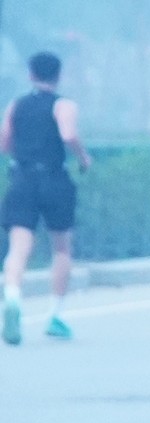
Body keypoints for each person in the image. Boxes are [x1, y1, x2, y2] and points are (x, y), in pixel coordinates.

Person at [3, 51, 91, 346]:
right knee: (62, 247)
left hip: (22, 179)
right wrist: (83, 157)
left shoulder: (16, 105)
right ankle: (55, 316)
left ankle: (12, 298)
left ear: (30, 74)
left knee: (19, 247)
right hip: (54, 178)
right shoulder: (64, 105)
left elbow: (4, 141)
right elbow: (68, 135)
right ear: (58, 76)